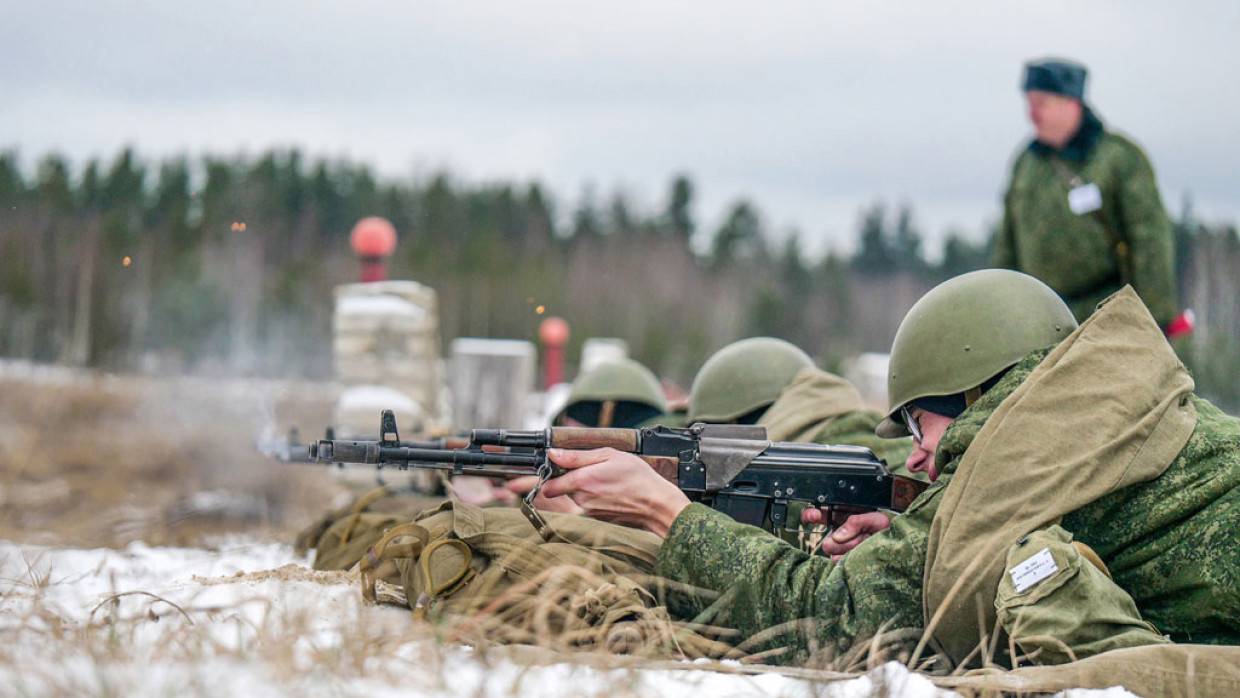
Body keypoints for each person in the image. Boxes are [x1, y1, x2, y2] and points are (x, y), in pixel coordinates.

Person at [529, 270, 1240, 668]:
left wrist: (663, 512)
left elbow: (830, 621)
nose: (917, 452)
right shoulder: (1106, 413)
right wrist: (919, 534)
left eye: (916, 422)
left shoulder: (1019, 445)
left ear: (969, 394)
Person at [992, 58, 1178, 328]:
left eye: (1042, 103)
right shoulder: (1026, 164)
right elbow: (1007, 245)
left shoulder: (1119, 158)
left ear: (1071, 102)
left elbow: (1149, 241)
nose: (1032, 114)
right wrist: (1002, 308)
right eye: (1029, 103)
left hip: (1108, 317)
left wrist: (1153, 321)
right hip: (1041, 320)